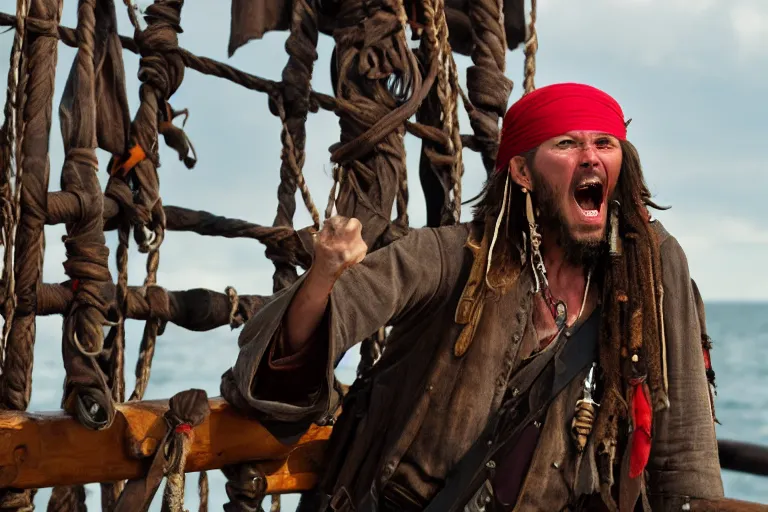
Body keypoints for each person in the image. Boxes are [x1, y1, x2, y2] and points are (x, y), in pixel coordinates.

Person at [221, 82, 723, 511]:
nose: (590, 156)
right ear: (523, 174)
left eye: (605, 143)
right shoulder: (450, 257)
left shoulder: (650, 271)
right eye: (567, 143)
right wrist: (323, 277)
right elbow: (304, 341)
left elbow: (686, 456)